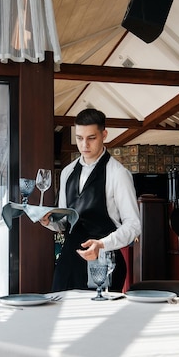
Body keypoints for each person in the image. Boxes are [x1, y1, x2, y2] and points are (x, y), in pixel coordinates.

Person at [40, 108, 141, 292]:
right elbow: (64, 222)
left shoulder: (118, 174)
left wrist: (102, 244)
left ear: (104, 134)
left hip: (104, 263)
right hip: (69, 262)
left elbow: (134, 225)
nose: (84, 144)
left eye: (91, 138)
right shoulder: (67, 172)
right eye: (79, 138)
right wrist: (49, 222)